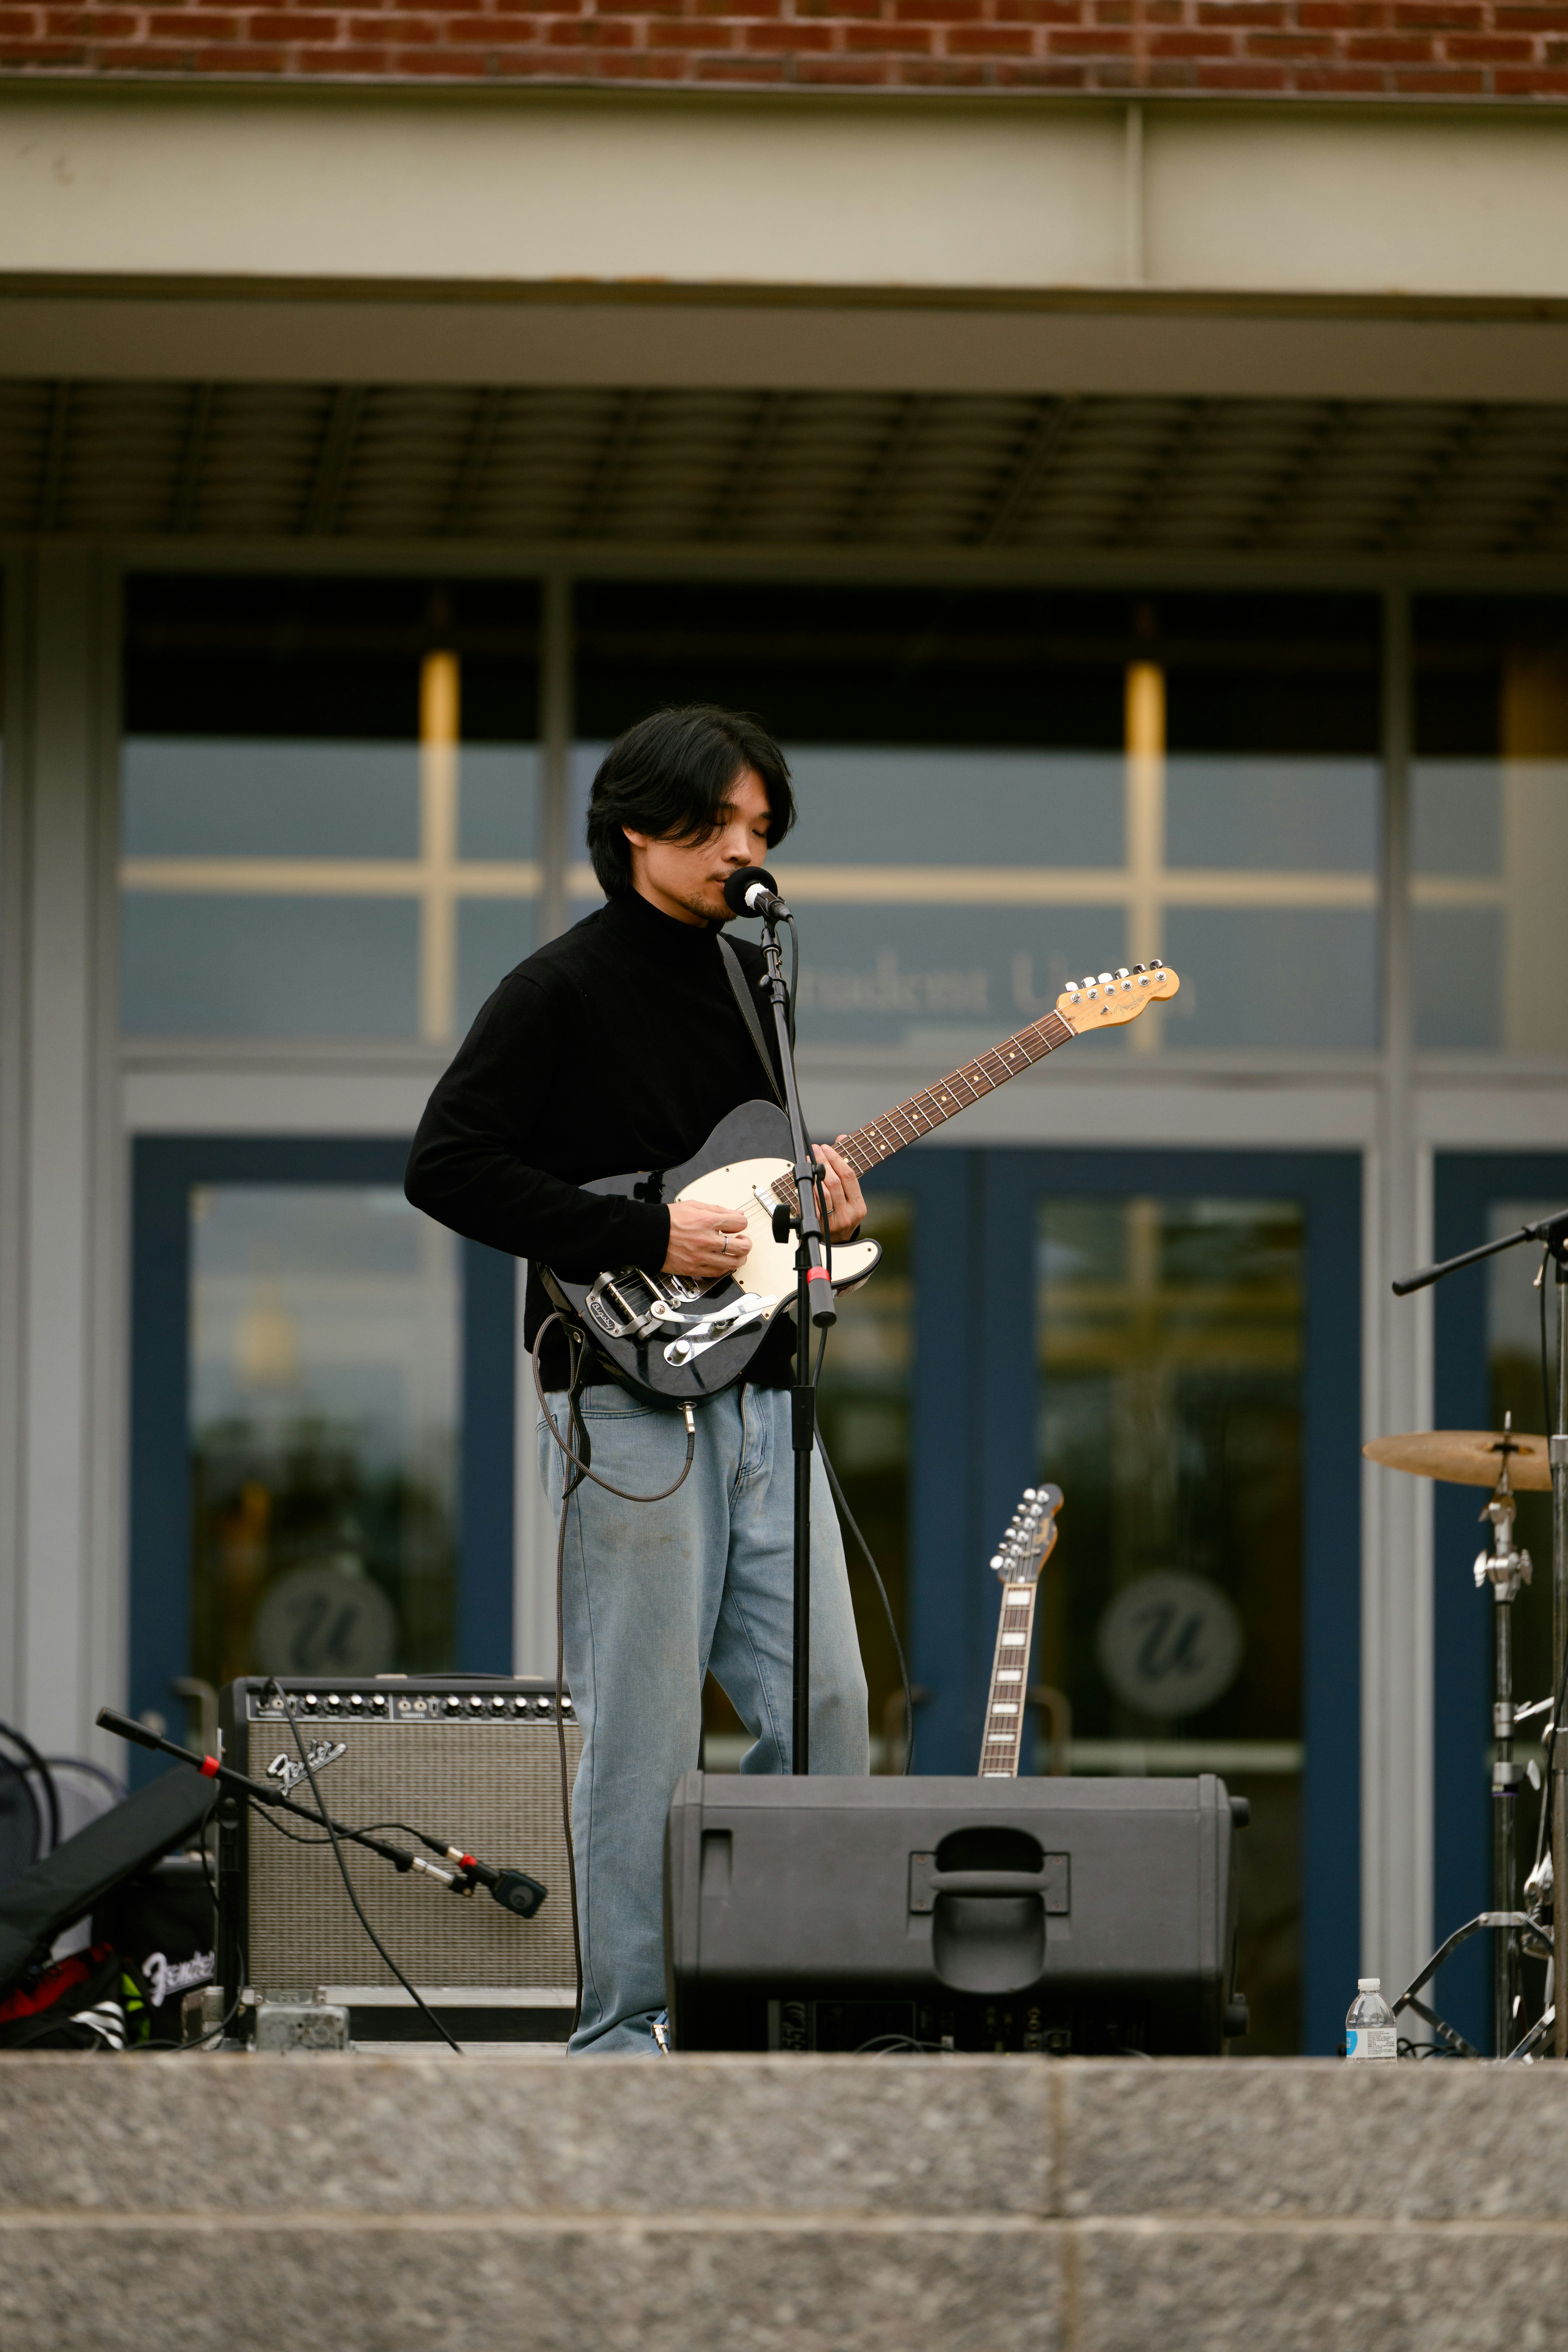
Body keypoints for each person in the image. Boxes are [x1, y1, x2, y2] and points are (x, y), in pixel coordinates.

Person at [405, 705, 871, 2054]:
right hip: (632, 1406)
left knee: (825, 1706)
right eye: (721, 824)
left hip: (769, 1394)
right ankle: (626, 2030)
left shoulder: (752, 979)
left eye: (761, 829)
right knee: (647, 1734)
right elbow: (446, 1163)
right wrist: (637, 1232)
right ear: (638, 829)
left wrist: (819, 1213)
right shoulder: (555, 989)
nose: (746, 849)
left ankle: (807, 2008)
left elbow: (748, 1192)